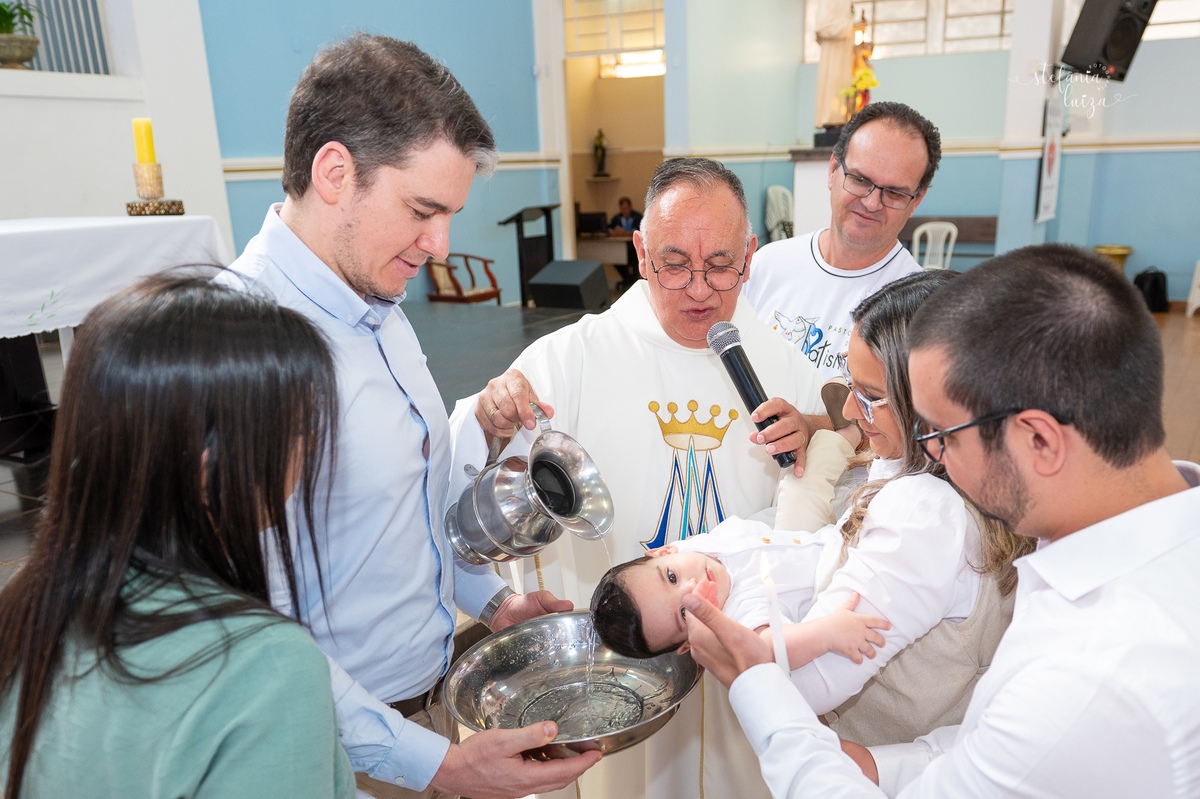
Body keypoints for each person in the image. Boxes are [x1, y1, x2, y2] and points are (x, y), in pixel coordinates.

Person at [220, 34, 599, 799]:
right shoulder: (237, 345)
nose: (441, 245)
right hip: (333, 749)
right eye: (423, 211)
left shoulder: (376, 297)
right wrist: (438, 765)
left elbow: (402, 514)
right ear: (335, 173)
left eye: (450, 214)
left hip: (425, 710)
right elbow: (251, 625)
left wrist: (493, 602)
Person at [682, 244, 1200, 798]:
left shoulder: (1096, 672)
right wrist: (887, 766)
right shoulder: (1112, 544)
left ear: (1040, 441)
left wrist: (755, 679)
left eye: (943, 434)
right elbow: (995, 747)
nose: (934, 453)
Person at [449, 157, 827, 799]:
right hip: (613, 677)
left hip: (743, 667)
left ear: (750, 255)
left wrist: (817, 430)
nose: (700, 290)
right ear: (641, 252)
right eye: (674, 264)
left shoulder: (782, 364)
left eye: (721, 266)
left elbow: (845, 481)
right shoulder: (572, 356)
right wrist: (490, 420)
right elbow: (464, 474)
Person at [0, 274, 353, 798]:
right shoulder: (263, 665)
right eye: (301, 431)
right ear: (208, 469)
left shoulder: (28, 602)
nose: (309, 452)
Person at [676, 269, 1032, 748]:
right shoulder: (972, 468)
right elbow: (829, 551)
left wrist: (727, 591)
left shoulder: (920, 512)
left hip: (876, 763)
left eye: (871, 397)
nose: (847, 411)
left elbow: (801, 685)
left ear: (938, 399)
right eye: (850, 385)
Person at [591, 424, 883, 661]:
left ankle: (852, 429)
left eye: (671, 577)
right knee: (869, 514)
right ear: (692, 641)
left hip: (804, 538)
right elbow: (771, 648)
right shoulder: (740, 614)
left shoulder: (694, 551)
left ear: (665, 551)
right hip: (833, 569)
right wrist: (828, 633)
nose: (692, 587)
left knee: (803, 480)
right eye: (684, 612)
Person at [743, 102, 937, 377]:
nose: (871, 203)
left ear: (917, 200)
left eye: (894, 193)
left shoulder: (918, 310)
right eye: (860, 180)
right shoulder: (766, 266)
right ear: (833, 170)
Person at [608, 196, 643, 289]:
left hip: (634, 247)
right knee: (615, 258)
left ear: (630, 207)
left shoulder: (637, 217)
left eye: (625, 208)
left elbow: (639, 231)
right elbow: (609, 229)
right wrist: (614, 232)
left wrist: (626, 233)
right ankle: (627, 279)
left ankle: (633, 281)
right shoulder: (617, 217)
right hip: (621, 247)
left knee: (634, 260)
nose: (624, 211)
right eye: (622, 209)